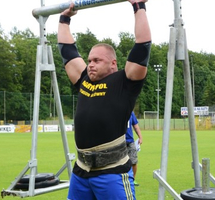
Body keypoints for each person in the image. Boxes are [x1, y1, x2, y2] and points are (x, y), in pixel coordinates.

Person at [58, 0, 151, 199]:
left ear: (113, 63)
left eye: (97, 60)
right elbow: (67, 52)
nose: (90, 64)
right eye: (89, 60)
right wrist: (64, 20)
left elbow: (142, 47)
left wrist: (139, 7)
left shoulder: (124, 82)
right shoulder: (84, 80)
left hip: (112, 171)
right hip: (81, 171)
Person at [126, 111, 142, 186]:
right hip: (119, 141)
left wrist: (140, 137)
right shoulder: (116, 110)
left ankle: (132, 179)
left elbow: (135, 125)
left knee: (134, 162)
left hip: (130, 141)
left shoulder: (131, 112)